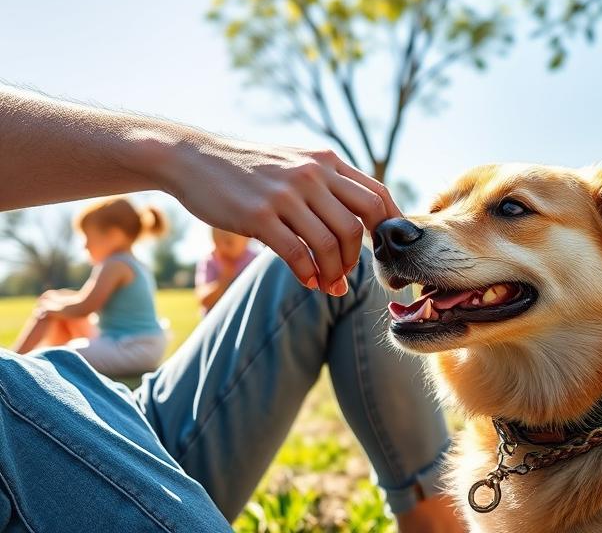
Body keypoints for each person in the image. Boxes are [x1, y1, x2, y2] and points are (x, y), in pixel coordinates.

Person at [0, 85, 463, 533]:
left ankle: (433, 517)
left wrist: (181, 156)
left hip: (106, 411)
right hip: (26, 454)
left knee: (342, 268)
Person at [12, 197, 169, 378]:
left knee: (61, 352)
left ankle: (12, 361)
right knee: (57, 305)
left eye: (87, 237)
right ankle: (16, 358)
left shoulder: (114, 265)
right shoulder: (132, 263)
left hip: (132, 348)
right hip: (141, 346)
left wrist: (51, 309)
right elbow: (86, 298)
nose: (84, 245)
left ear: (113, 235)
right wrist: (57, 299)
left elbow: (85, 307)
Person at [195, 228, 258, 313]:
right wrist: (224, 279)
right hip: (217, 316)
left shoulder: (256, 260)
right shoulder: (210, 261)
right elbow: (204, 299)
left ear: (247, 238)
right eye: (216, 243)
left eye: (229, 242)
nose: (222, 248)